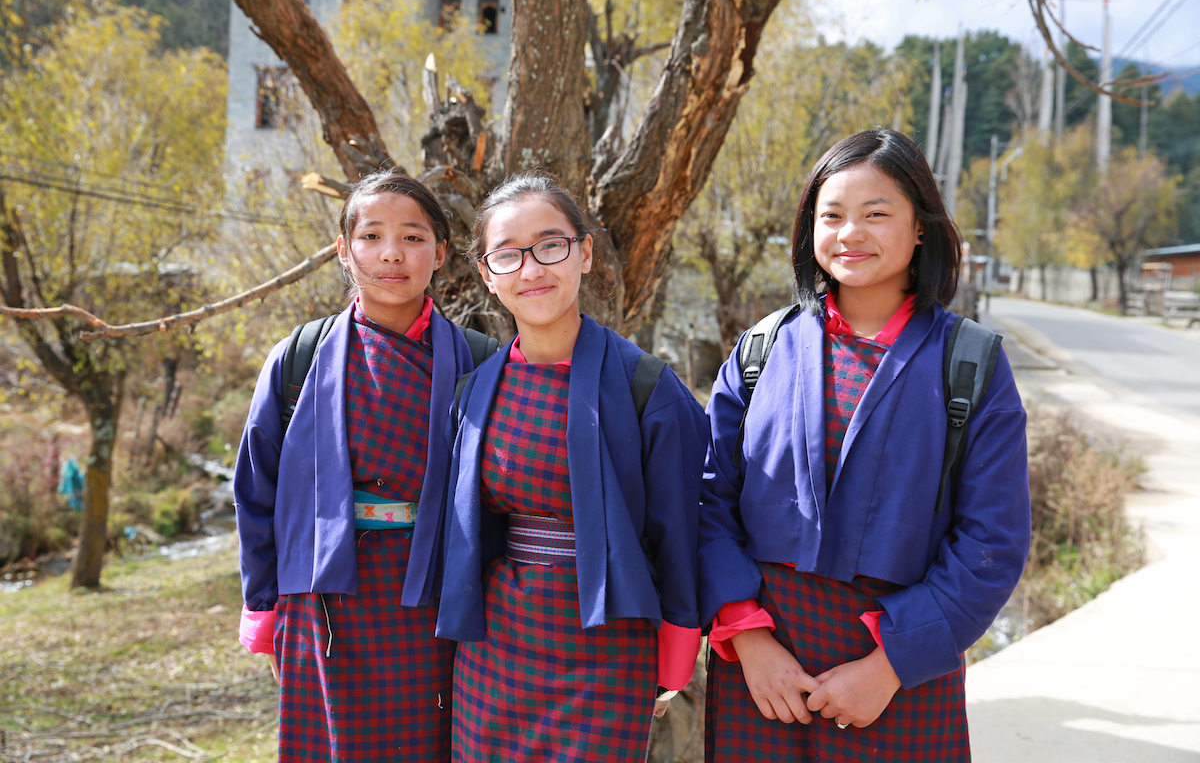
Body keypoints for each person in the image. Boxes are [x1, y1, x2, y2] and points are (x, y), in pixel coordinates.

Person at [699, 129, 1031, 761]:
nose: (851, 233)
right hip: (765, 669)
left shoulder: (970, 363)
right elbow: (708, 501)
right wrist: (748, 639)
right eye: (833, 215)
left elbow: (993, 539)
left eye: (876, 214)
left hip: (902, 670)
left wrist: (889, 666)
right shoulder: (760, 352)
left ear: (921, 229)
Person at [436, 173, 708, 762]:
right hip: (497, 645)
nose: (531, 270)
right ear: (487, 273)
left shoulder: (646, 387)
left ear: (585, 253)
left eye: (550, 246)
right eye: (508, 255)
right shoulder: (472, 394)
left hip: (606, 646)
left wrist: (677, 651)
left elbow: (682, 530)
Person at [234, 170, 480, 762]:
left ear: (441, 254)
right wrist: (261, 606)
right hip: (324, 599)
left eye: (414, 238)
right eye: (371, 236)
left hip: (435, 601)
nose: (392, 253)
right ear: (344, 250)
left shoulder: (481, 359)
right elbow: (256, 490)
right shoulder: (299, 357)